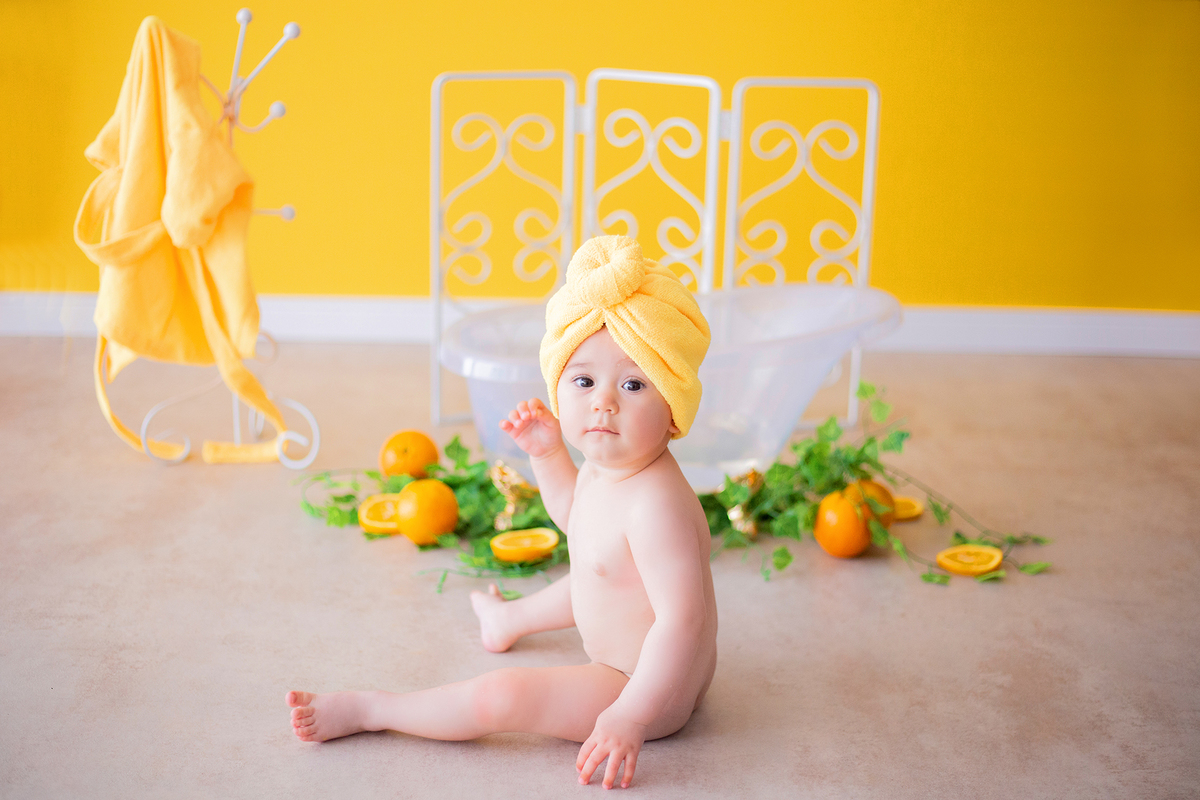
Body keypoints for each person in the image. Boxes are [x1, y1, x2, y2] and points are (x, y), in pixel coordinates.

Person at [286, 235, 716, 790]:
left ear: (674, 411)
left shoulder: (656, 505)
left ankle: (375, 710)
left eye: (633, 384)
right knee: (594, 571)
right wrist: (547, 452)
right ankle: (506, 619)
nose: (603, 402)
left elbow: (684, 621)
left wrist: (629, 715)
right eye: (583, 381)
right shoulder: (610, 464)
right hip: (631, 645)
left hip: (641, 682)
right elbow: (576, 522)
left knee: (502, 697)